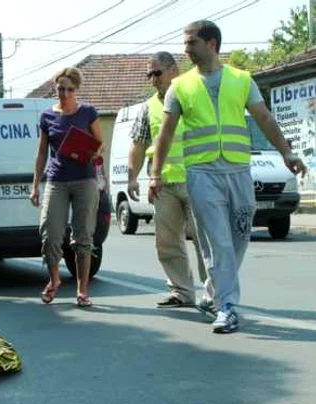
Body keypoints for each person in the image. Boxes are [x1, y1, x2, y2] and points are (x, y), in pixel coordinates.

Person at [150, 20, 307, 333]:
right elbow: (165, 134)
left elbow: (264, 118)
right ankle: (227, 307)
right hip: (201, 173)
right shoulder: (180, 87)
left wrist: (287, 153)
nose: (186, 50)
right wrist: (155, 174)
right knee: (217, 241)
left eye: (191, 42)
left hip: (237, 170)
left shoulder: (242, 79)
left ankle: (212, 291)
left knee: (238, 236)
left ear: (211, 44)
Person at [128, 51, 209, 309]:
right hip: (162, 184)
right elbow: (139, 145)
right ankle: (182, 292)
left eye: (157, 73)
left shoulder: (194, 95)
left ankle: (214, 294)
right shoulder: (148, 107)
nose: (152, 79)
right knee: (167, 241)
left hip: (196, 179)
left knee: (205, 241)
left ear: (174, 70)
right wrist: (132, 178)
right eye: (149, 74)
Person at [30, 67, 103, 308]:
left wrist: (93, 152)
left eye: (69, 89)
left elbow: (99, 145)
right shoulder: (47, 116)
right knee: (49, 233)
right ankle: (54, 281)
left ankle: (82, 291)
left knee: (83, 236)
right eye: (61, 88)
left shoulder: (88, 112)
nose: (64, 93)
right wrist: (35, 186)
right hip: (56, 179)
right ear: (55, 88)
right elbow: (41, 153)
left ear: (77, 90)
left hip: (85, 178)